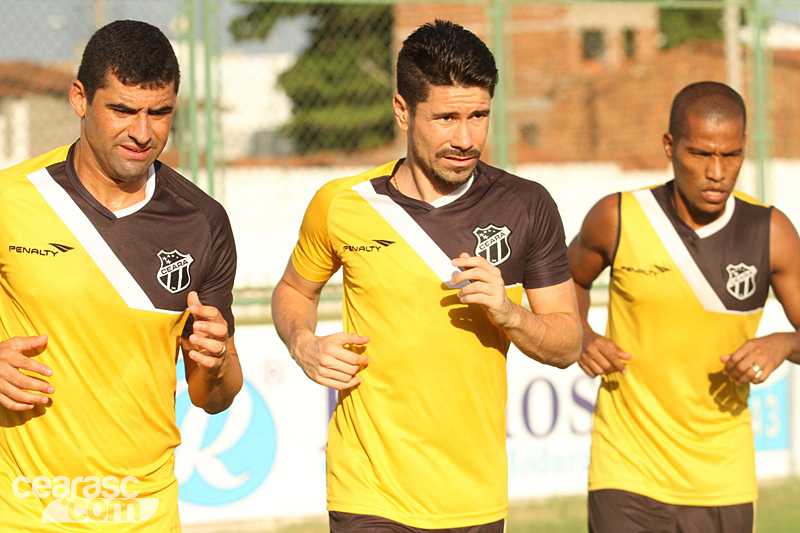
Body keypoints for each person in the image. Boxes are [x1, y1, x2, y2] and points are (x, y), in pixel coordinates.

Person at [272, 19, 582, 532]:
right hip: (366, 492)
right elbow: (293, 290)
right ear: (403, 110)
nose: (465, 137)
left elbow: (568, 343)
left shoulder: (528, 205)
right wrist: (302, 343)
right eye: (446, 118)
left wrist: (509, 313)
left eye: (479, 115)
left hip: (472, 497)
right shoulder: (342, 204)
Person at [0, 20, 242, 531]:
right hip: (22, 510)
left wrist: (216, 363)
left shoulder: (203, 222)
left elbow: (212, 397)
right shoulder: (12, 201)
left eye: (160, 113)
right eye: (123, 111)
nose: (143, 132)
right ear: (80, 98)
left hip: (144, 515)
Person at [568, 81, 800, 533]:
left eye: (730, 155)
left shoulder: (770, 232)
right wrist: (580, 333)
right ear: (670, 147)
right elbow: (566, 279)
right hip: (626, 467)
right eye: (700, 154)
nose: (717, 171)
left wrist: (786, 342)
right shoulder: (618, 216)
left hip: (721, 474)